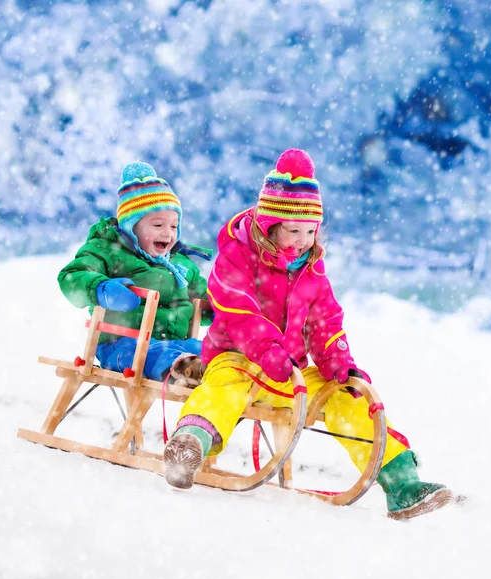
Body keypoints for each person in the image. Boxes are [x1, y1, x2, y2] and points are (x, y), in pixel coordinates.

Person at [162, 149, 452, 520]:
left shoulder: (311, 271)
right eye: (294, 230)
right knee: (224, 390)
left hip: (291, 372)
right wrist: (266, 347)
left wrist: (337, 361)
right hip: (237, 358)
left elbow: (326, 322)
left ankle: (401, 482)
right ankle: (189, 447)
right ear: (269, 226)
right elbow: (237, 308)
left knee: (347, 398)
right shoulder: (236, 256)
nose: (302, 240)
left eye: (310, 230)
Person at [58, 161, 212, 387]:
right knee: (153, 353)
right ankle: (184, 370)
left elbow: (206, 296)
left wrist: (221, 310)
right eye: (158, 225)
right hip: (120, 344)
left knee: (212, 351)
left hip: (176, 343)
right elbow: (72, 276)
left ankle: (217, 371)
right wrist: (102, 289)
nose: (168, 234)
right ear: (132, 226)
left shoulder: (181, 264)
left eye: (173, 226)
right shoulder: (109, 250)